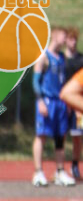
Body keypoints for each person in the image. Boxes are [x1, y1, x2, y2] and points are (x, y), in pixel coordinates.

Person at [31, 26, 76, 187]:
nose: (65, 40)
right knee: (41, 135)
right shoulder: (44, 57)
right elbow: (35, 81)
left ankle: (60, 171)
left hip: (60, 103)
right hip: (47, 101)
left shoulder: (62, 57)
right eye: (63, 36)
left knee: (60, 137)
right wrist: (40, 100)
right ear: (55, 36)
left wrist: (68, 101)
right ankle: (38, 172)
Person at [63, 27, 83, 180]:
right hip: (63, 103)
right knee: (61, 135)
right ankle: (60, 168)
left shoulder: (81, 59)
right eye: (71, 39)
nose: (73, 42)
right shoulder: (60, 58)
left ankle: (75, 165)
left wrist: (77, 104)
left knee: (78, 136)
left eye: (75, 39)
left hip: (77, 104)